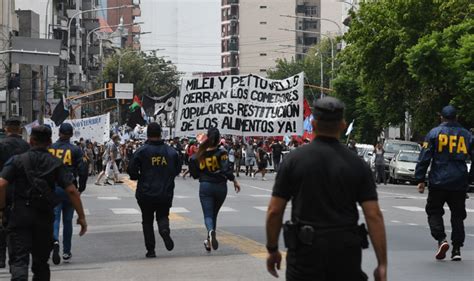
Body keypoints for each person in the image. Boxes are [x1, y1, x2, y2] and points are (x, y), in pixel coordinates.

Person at [265, 97, 387, 281]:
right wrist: (382, 264)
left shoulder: (294, 160)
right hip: (345, 256)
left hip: (305, 256)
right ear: (343, 125)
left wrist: (273, 249)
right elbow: (373, 215)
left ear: (313, 124)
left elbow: (275, 211)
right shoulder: (357, 164)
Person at [0, 126, 87, 281]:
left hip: (20, 215)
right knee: (41, 263)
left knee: (19, 261)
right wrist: (81, 217)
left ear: (31, 141)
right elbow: (72, 191)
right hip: (43, 216)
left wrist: (1, 210)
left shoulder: (18, 160)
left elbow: (1, 184)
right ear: (49, 142)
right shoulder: (55, 162)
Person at [415, 105, 473, 261]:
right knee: (458, 216)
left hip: (438, 180)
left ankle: (441, 239)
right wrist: (469, 179)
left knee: (434, 211)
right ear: (457, 117)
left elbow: (425, 157)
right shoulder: (467, 135)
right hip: (459, 182)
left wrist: (420, 179)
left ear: (441, 117)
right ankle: (457, 249)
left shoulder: (434, 133)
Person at [127, 123, 182, 258]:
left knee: (147, 220)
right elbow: (177, 170)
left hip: (146, 192)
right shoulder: (171, 151)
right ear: (161, 134)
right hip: (165, 191)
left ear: (147, 134)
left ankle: (150, 249)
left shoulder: (141, 151)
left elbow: (131, 171)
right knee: (163, 215)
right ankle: (164, 229)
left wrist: (139, 176)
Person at [189, 128, 241, 252]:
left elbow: (194, 170)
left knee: (208, 215)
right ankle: (209, 240)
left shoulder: (199, 153)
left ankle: (210, 232)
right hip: (221, 186)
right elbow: (226, 170)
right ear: (219, 140)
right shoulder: (222, 153)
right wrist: (234, 180)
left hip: (206, 186)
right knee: (214, 214)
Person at [48, 123, 87, 265]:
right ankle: (66, 251)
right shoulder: (76, 150)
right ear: (71, 134)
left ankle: (55, 240)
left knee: (55, 218)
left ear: (59, 133)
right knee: (68, 220)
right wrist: (81, 188)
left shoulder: (50, 148)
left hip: (53, 188)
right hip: (70, 187)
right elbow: (83, 170)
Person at [0, 117, 30, 269]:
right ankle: (15, 258)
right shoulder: (26, 146)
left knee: (1, 222)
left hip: (2, 188)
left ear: (6, 128)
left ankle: (0, 257)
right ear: (19, 129)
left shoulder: (1, 145)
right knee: (17, 227)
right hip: (21, 191)